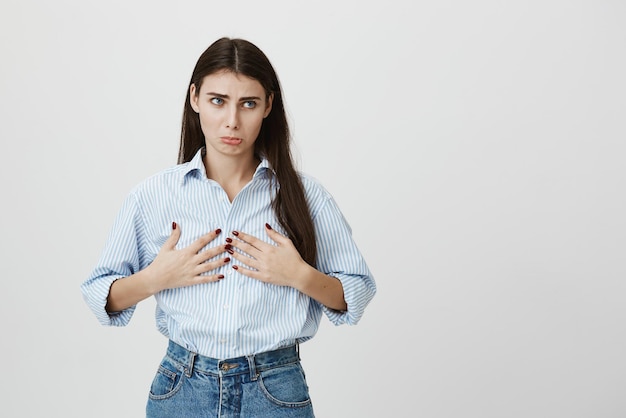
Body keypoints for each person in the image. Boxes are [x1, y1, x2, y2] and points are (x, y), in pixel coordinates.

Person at [81, 37, 376, 417]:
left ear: (268, 105)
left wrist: (299, 275)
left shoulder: (306, 197)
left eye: (248, 103)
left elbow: (356, 293)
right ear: (195, 99)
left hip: (275, 390)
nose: (232, 120)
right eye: (218, 100)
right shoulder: (152, 196)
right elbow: (99, 296)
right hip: (182, 389)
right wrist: (155, 278)